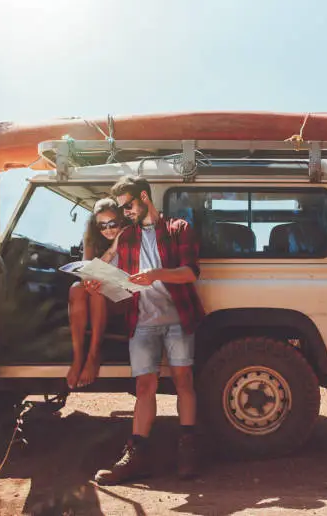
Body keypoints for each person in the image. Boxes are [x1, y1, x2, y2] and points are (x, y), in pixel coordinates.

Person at [94, 176, 205, 485]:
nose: (125, 212)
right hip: (142, 320)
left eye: (128, 205)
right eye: (121, 208)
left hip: (178, 318)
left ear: (144, 197)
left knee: (184, 381)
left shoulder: (177, 229)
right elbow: (110, 269)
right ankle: (137, 456)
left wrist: (156, 274)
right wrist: (96, 278)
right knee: (144, 387)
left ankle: (188, 449)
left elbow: (190, 272)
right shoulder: (127, 237)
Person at [66, 198, 125, 389]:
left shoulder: (130, 237)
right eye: (102, 225)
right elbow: (86, 269)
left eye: (112, 224)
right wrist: (89, 279)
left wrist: (116, 246)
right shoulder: (92, 238)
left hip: (123, 298)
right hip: (100, 295)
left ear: (121, 222)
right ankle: (78, 357)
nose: (108, 229)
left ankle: (93, 355)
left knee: (97, 291)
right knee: (77, 288)